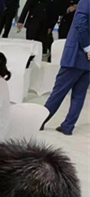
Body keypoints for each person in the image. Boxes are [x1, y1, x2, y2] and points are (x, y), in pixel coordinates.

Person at [42, 0, 89, 135]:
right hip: (86, 59)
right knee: (79, 95)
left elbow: (80, 23)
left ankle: (39, 120)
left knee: (59, 91)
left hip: (76, 55)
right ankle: (68, 126)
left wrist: (88, 47)